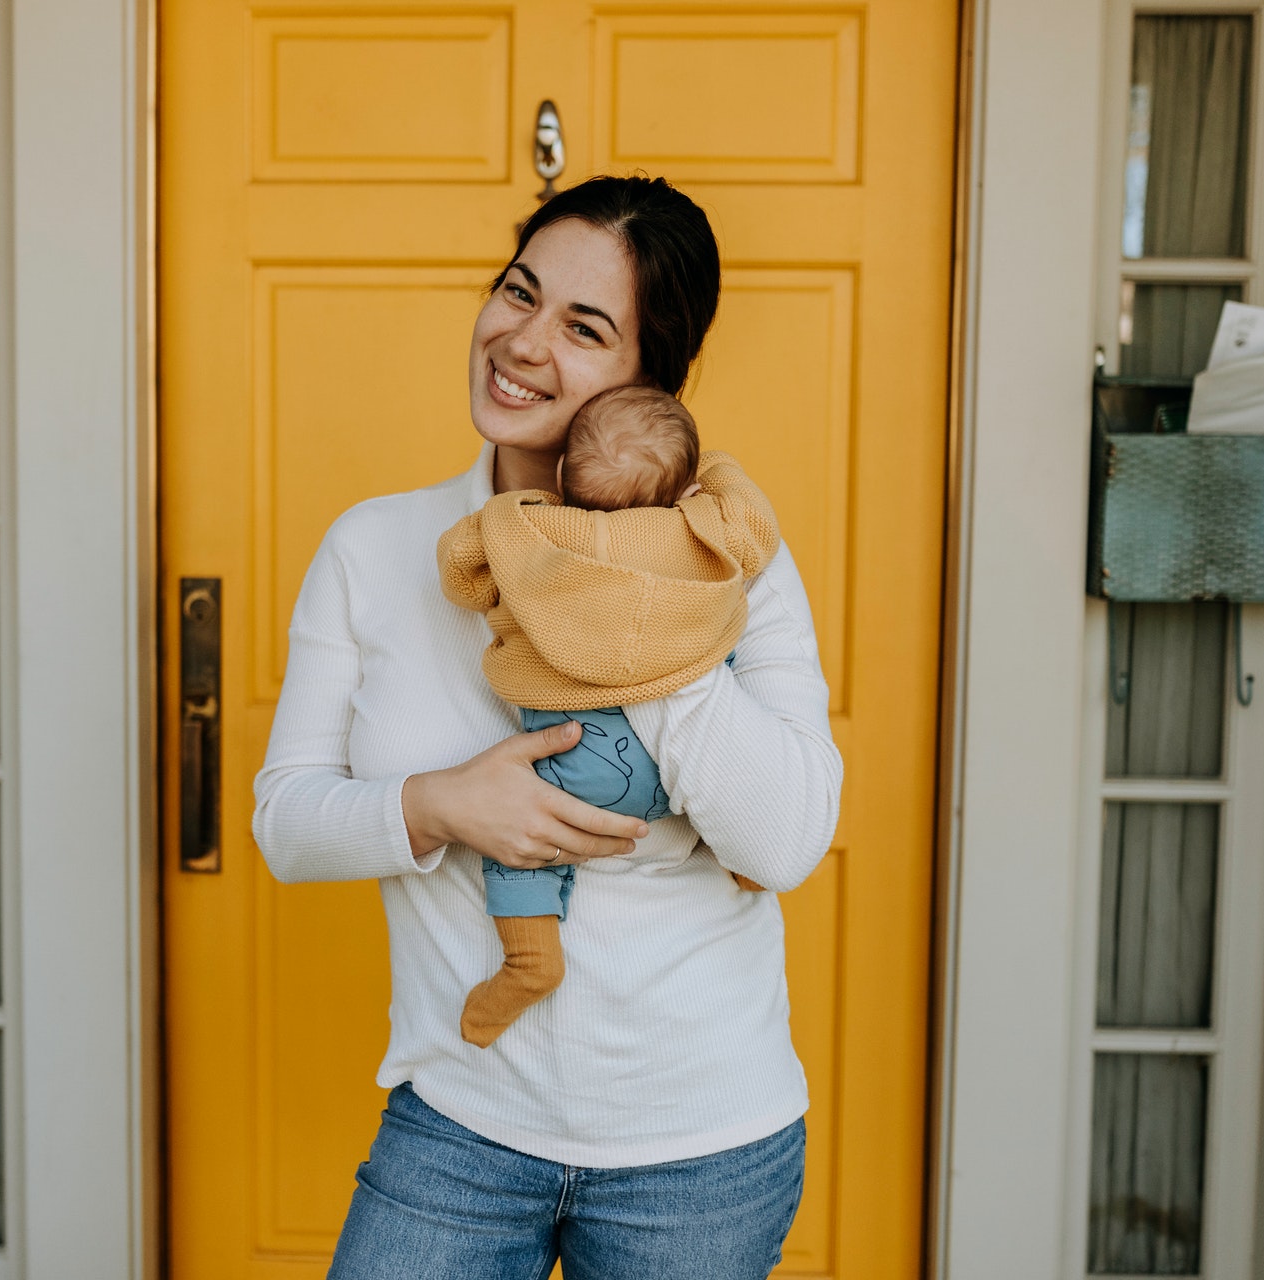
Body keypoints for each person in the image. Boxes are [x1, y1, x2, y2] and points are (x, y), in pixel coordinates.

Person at [252, 175, 843, 1280]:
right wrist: (440, 803)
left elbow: (789, 838)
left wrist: (641, 608)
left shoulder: (730, 556)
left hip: (701, 1155)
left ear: (648, 379)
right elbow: (285, 822)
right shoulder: (378, 547)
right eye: (517, 292)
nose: (520, 342)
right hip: (458, 1124)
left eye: (583, 326)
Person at [435, 385, 780, 1048]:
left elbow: (462, 573)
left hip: (573, 762)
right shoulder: (699, 529)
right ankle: (744, 855)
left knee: (522, 848)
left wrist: (510, 510)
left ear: (563, 473)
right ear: (680, 492)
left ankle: (531, 961)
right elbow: (755, 526)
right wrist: (714, 469)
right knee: (719, 678)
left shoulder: (532, 530)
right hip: (675, 769)